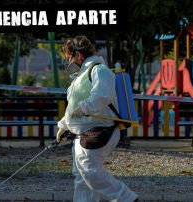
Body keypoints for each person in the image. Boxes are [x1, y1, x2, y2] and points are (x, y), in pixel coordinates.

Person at [56, 36, 138, 202]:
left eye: (69, 58)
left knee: (89, 171)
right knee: (81, 178)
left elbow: (103, 95)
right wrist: (64, 125)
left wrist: (84, 107)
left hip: (100, 131)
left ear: (79, 55)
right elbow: (73, 106)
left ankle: (126, 198)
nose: (68, 63)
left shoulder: (100, 70)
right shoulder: (81, 76)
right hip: (83, 134)